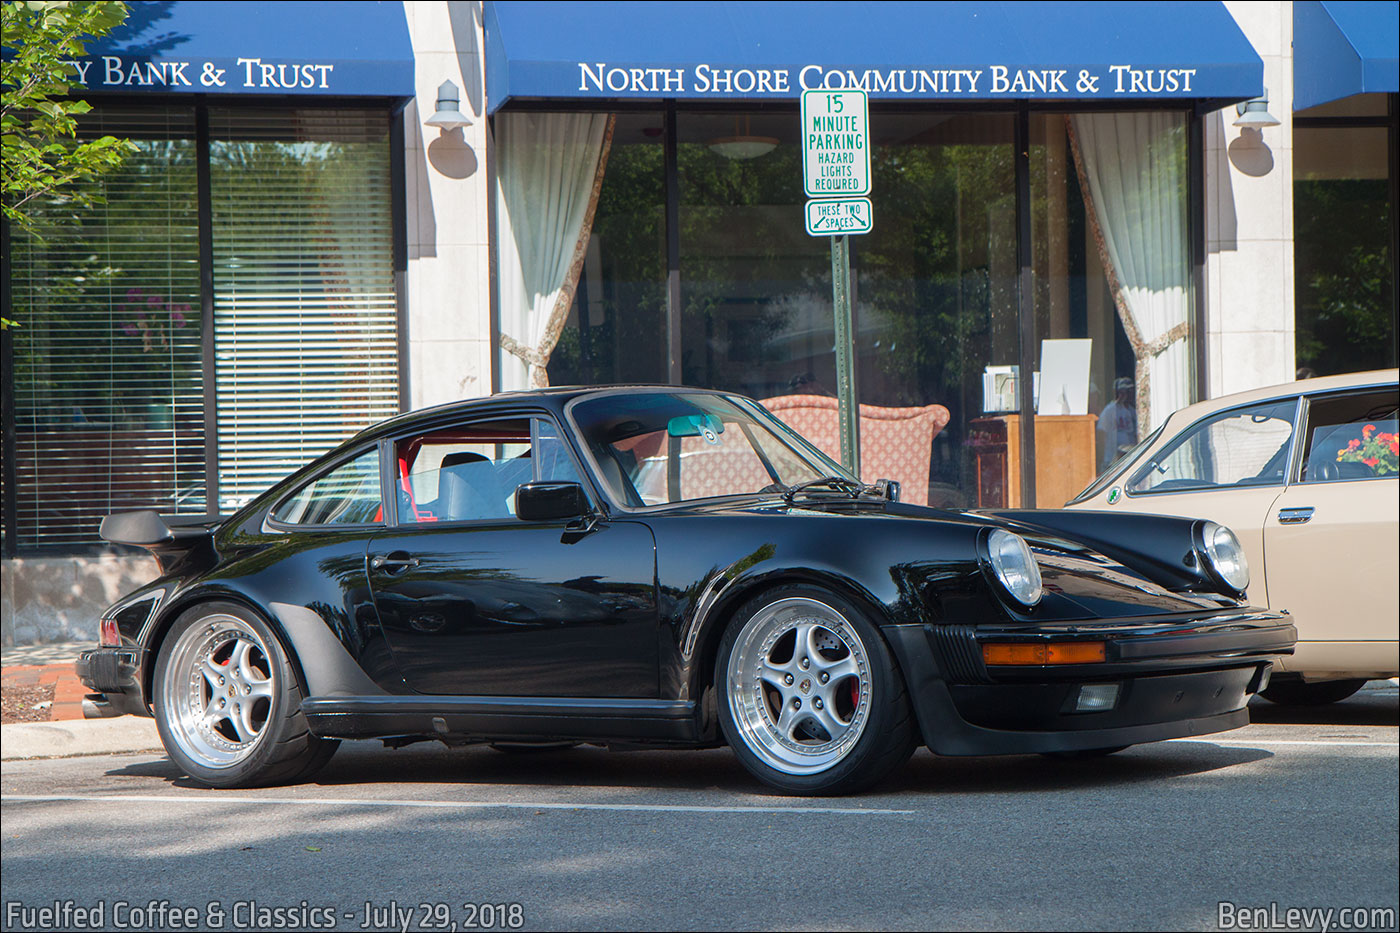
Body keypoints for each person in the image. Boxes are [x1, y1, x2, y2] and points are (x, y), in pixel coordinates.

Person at [1097, 377, 1137, 468]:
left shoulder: (1132, 411)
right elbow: (1101, 433)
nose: (1129, 395)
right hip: (1113, 460)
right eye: (1126, 391)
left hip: (1131, 457)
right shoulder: (1110, 410)